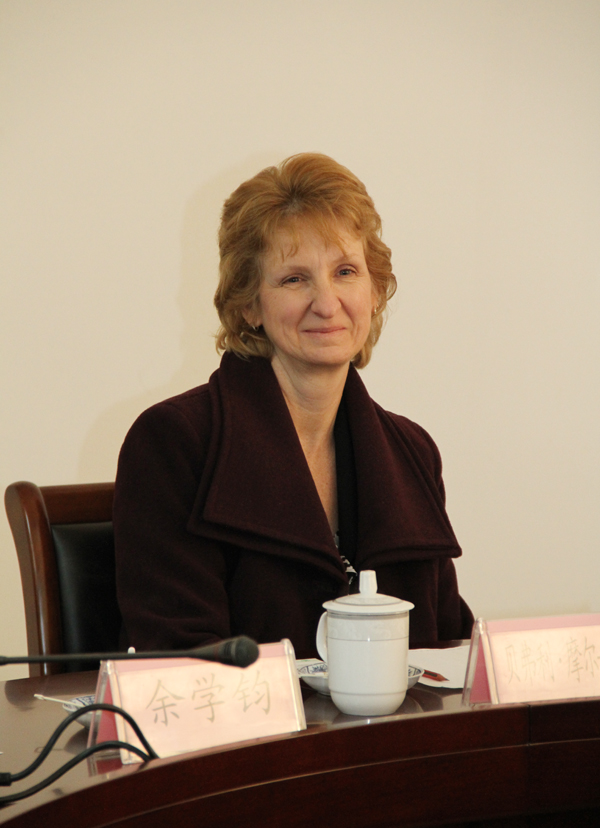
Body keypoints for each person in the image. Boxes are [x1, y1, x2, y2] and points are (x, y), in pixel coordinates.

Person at [114, 153, 473, 658]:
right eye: (294, 279)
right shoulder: (175, 444)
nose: (326, 303)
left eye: (345, 271)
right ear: (248, 304)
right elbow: (183, 659)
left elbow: (449, 655)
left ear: (374, 292)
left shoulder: (412, 452)